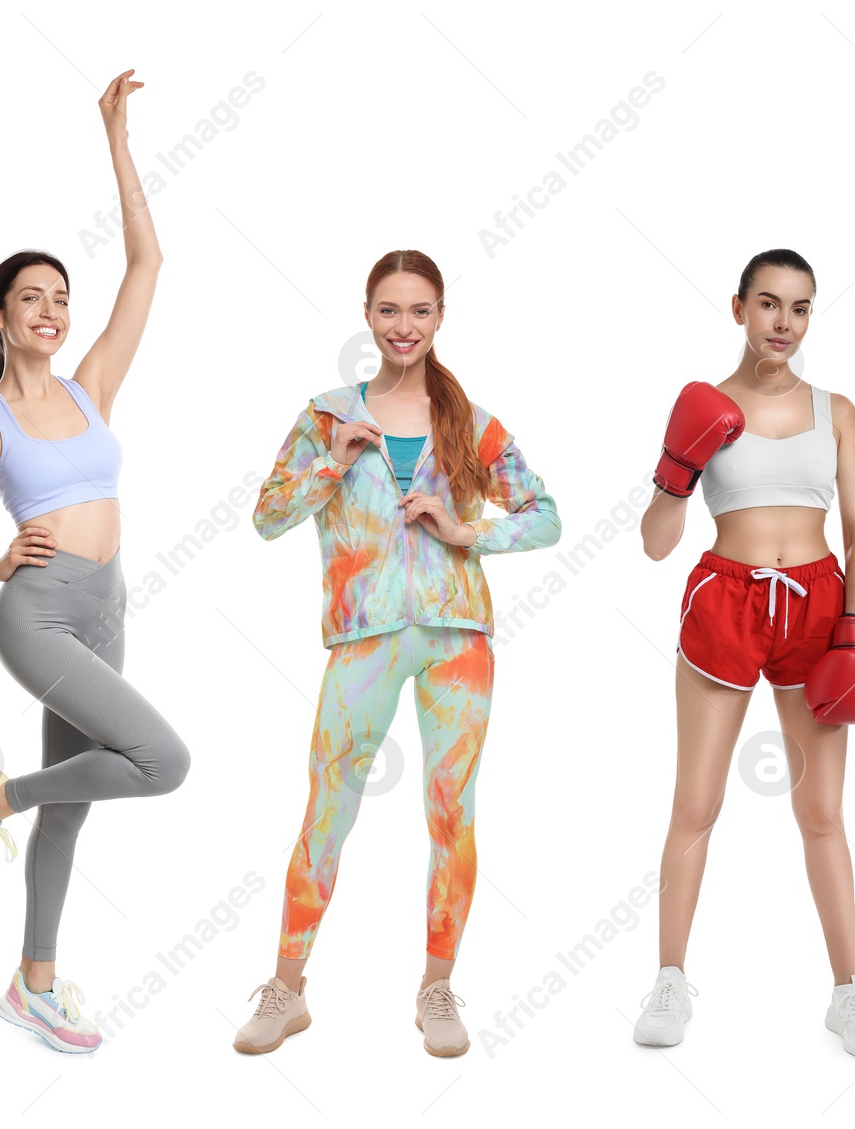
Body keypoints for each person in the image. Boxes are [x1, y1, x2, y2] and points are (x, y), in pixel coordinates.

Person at [0, 70, 188, 1055]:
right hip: (38, 614)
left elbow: (146, 263)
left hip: (105, 605)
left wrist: (116, 141)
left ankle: (34, 984)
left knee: (84, 796)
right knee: (160, 761)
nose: (53, 311)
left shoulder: (94, 385)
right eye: (33, 298)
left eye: (62, 297)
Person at [232, 249, 560, 1057]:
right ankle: (288, 987)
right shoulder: (327, 414)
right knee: (328, 806)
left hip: (457, 637)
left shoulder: (470, 420)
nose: (403, 326)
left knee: (453, 812)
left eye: (419, 311)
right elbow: (267, 515)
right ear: (368, 316)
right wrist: (331, 461)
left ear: (440, 316)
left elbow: (546, 515)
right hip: (365, 636)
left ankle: (437, 987)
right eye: (389, 310)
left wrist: (466, 531)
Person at [633, 248, 855, 1057]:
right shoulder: (706, 408)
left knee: (821, 813)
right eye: (770, 304)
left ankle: (849, 992)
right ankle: (670, 980)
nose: (784, 322)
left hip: (818, 604)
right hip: (725, 596)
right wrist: (675, 473)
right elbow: (654, 544)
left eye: (801, 307)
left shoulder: (836, 409)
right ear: (739, 306)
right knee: (696, 803)